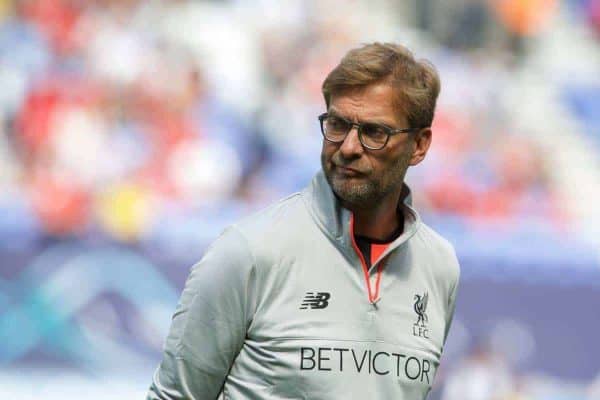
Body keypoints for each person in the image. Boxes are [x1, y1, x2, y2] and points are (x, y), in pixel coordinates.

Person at [147, 42, 460, 400]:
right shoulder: (247, 251)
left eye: (375, 133)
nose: (348, 147)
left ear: (419, 145)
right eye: (338, 125)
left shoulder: (440, 267)